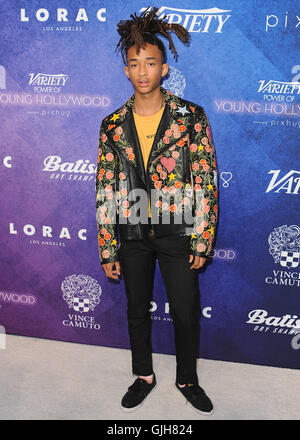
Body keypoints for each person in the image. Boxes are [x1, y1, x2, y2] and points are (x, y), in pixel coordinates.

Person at [95, 7, 218, 415]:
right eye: (134, 64)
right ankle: (143, 374)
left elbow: (204, 178)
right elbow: (106, 187)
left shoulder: (190, 117)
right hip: (131, 231)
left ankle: (187, 378)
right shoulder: (112, 125)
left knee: (185, 312)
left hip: (178, 231)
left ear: (164, 69)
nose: (142, 70)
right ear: (126, 71)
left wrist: (203, 236)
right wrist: (108, 247)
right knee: (136, 309)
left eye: (150, 62)